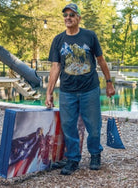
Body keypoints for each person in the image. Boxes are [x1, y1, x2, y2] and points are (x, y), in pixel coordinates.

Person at [45, 3, 115, 175]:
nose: (68, 17)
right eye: (65, 15)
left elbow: (101, 60)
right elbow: (55, 67)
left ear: (78, 18)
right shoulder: (58, 40)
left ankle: (95, 154)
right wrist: (49, 92)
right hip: (67, 91)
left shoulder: (89, 36)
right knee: (68, 126)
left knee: (93, 125)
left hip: (89, 89)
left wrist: (109, 82)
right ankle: (73, 159)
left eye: (71, 14)